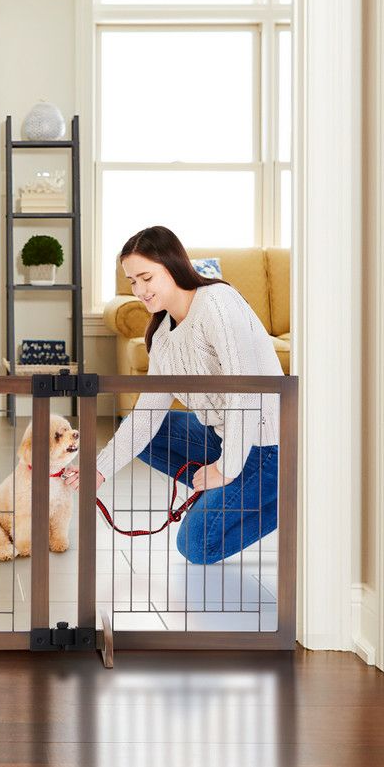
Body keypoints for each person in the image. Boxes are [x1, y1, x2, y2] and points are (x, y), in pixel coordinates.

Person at [63, 225, 282, 564]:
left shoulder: (217, 302)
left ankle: (293, 498)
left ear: (172, 264)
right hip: (226, 437)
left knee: (197, 546)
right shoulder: (163, 335)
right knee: (151, 432)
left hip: (270, 447)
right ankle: (232, 488)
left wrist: (225, 470)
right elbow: (145, 417)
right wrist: (99, 470)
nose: (139, 290)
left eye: (146, 277)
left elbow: (247, 393)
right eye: (132, 281)